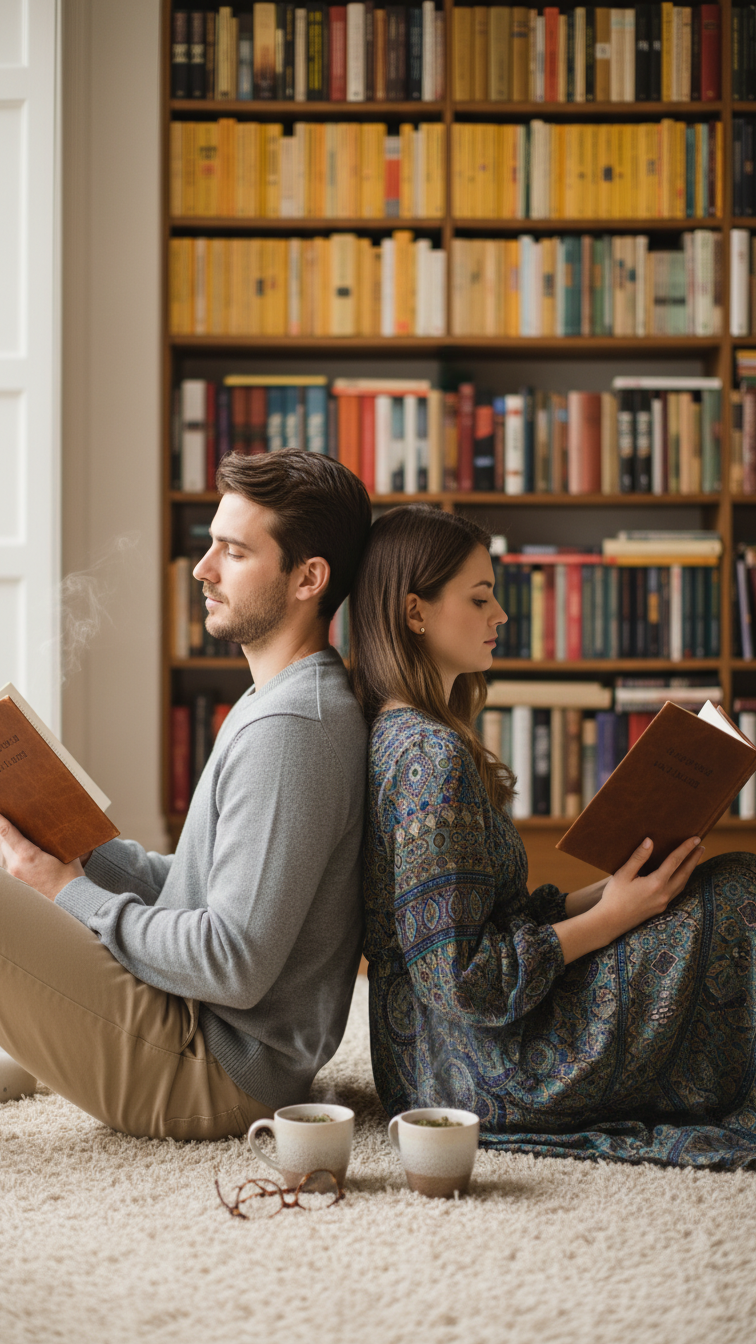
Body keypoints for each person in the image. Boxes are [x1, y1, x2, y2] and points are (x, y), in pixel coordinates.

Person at [350, 504, 756, 1168]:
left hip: (431, 1061)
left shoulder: (407, 736)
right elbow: (463, 983)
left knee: (712, 883)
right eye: (479, 598)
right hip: (486, 1068)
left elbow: (486, 922)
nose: (500, 615)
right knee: (738, 894)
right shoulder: (429, 757)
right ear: (414, 612)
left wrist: (604, 894)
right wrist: (616, 917)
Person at [0, 449, 372, 1140]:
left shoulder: (293, 730)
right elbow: (200, 891)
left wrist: (67, 892)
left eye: (232, 552)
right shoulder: (280, 703)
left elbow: (232, 963)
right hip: (195, 1030)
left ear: (308, 578)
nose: (202, 570)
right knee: (25, 871)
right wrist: (73, 844)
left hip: (215, 1069)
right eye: (210, 546)